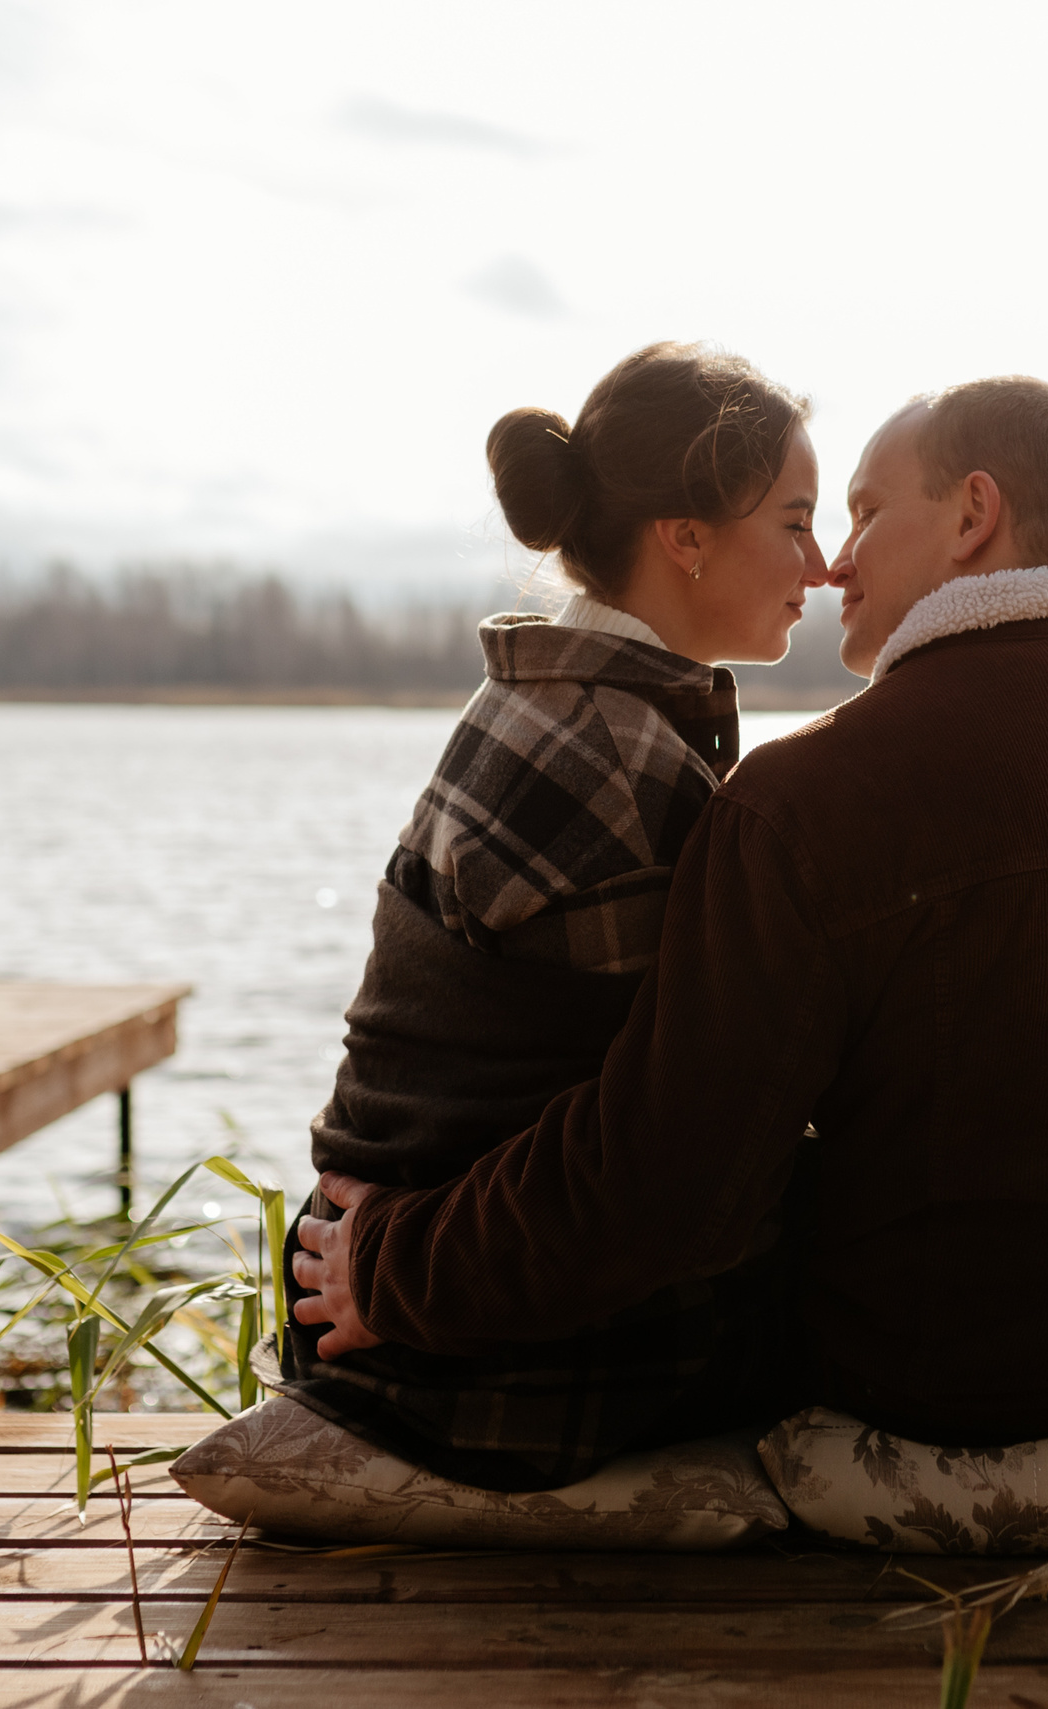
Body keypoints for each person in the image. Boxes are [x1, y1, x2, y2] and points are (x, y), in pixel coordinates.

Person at [297, 376, 1048, 1447]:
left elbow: (669, 1171)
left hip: (953, 1399)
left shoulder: (803, 801)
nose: (834, 562)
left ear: (973, 515)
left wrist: (394, 1264)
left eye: (862, 512)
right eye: (809, 522)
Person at [276, 341, 829, 1490]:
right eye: (794, 521)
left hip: (389, 1320)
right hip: (483, 1369)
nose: (820, 565)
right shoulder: (621, 756)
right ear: (686, 536)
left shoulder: (550, 701)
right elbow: (665, 1164)